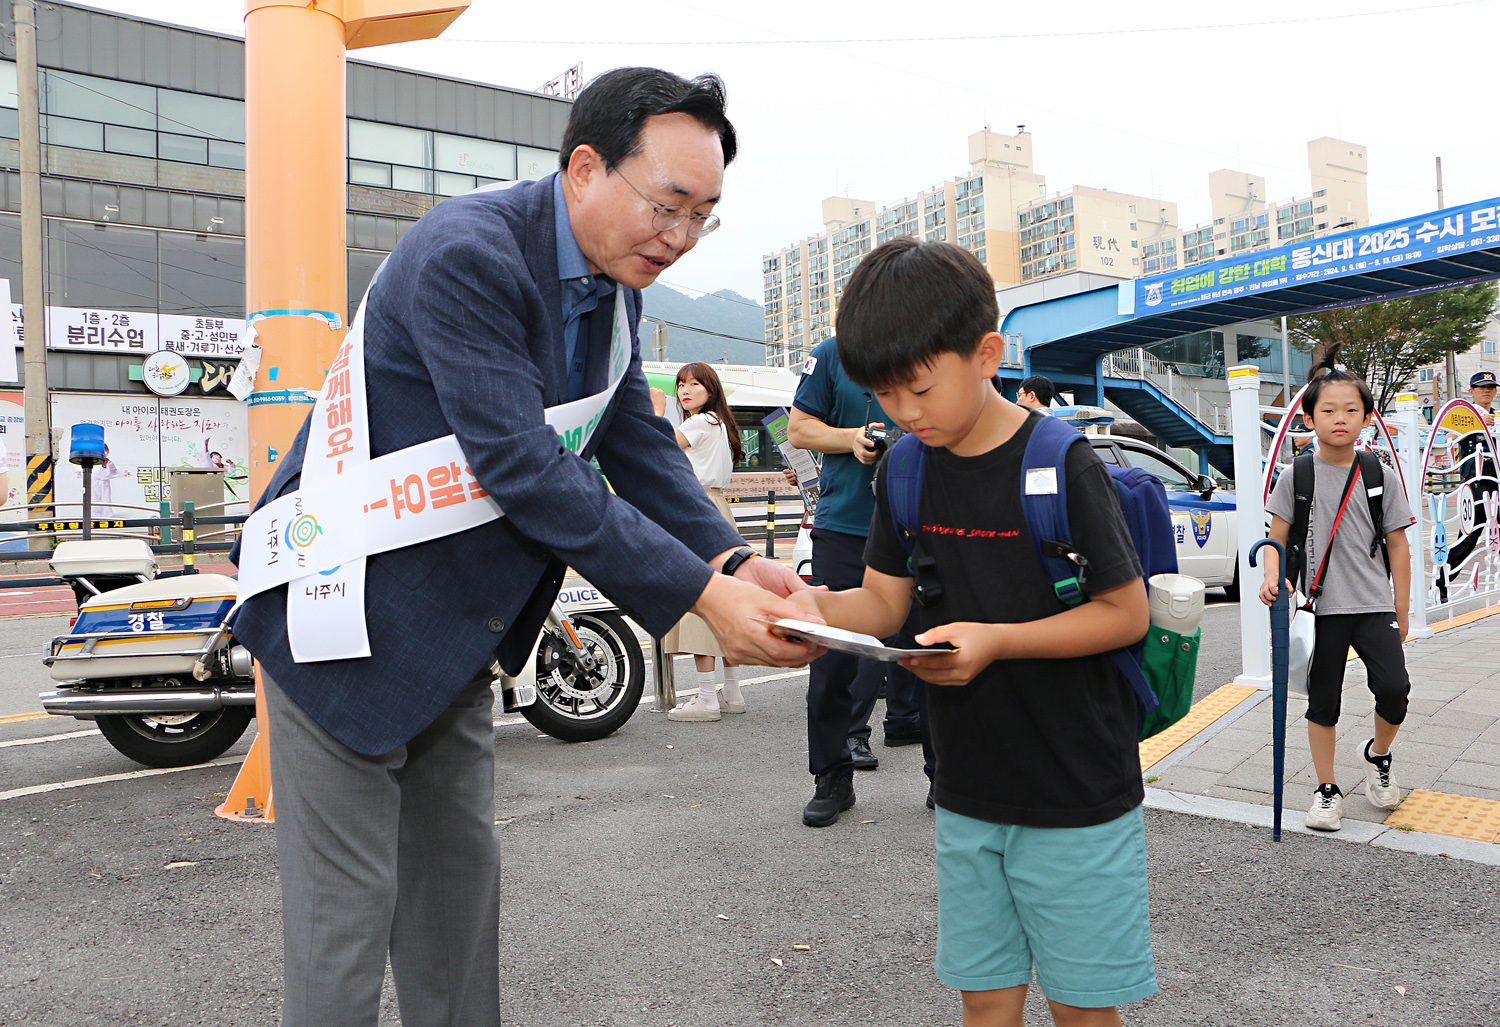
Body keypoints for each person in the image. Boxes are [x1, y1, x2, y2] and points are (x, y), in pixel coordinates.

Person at [231, 68, 821, 1027]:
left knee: (458, 918)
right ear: (585, 169)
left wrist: (733, 562)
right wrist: (697, 602)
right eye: (667, 206)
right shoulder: (472, 254)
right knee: (343, 939)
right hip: (338, 622)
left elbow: (635, 446)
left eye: (703, 216)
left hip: (456, 636)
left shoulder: (614, 285)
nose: (678, 239)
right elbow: (528, 468)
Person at [789, 237, 1158, 1026]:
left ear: (986, 353)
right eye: (885, 394)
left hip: (1076, 788)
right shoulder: (905, 470)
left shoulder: (1063, 462)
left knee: (1083, 1009)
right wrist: (801, 609)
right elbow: (883, 606)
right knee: (985, 1002)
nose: (902, 412)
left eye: (919, 388)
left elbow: (1125, 613)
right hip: (967, 790)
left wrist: (998, 639)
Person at [1260, 345, 1415, 833]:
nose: (1340, 419)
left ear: (1367, 417)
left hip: (1373, 604)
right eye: (1328, 410)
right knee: (1322, 700)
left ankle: (1377, 754)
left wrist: (1402, 609)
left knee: (1395, 689)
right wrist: (1271, 574)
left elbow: (1399, 547)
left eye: (1351, 410)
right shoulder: (1296, 474)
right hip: (1319, 607)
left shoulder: (1378, 474)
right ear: (1309, 417)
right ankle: (1327, 790)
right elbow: (1274, 540)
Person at [789, 334, 930, 825]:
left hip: (925, 524)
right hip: (845, 526)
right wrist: (850, 438)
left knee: (934, 648)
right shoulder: (832, 354)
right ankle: (832, 776)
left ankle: (947, 774)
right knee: (832, 658)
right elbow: (799, 429)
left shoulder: (934, 345)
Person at [649, 362, 753, 721]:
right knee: (725, 599)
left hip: (697, 509)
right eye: (681, 385)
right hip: (720, 510)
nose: (685, 390)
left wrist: (659, 412)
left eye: (694, 384)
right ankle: (732, 691)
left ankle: (707, 699)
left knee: (700, 601)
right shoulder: (721, 424)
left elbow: (660, 446)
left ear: (711, 390)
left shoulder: (698, 422)